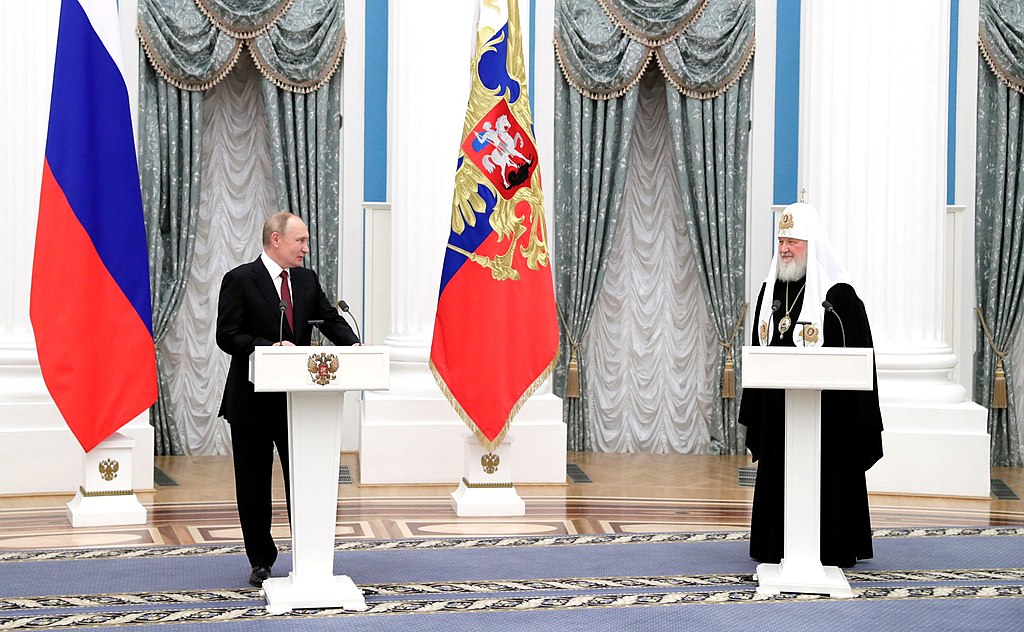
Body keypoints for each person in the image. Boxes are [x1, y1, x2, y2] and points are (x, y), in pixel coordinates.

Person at [216, 211, 359, 587]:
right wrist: (267, 348)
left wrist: (358, 348)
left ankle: (309, 555)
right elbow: (227, 334)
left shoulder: (306, 280)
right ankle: (260, 559)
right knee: (254, 483)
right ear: (276, 240)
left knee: (306, 479)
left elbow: (328, 319)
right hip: (252, 401)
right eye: (301, 241)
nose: (306, 250)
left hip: (302, 404)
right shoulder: (240, 279)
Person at [738, 202, 883, 568]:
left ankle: (830, 545)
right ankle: (778, 545)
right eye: (781, 240)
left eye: (793, 242)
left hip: (829, 421)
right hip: (779, 415)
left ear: (812, 244)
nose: (784, 248)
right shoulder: (769, 292)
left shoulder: (839, 298)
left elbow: (858, 358)